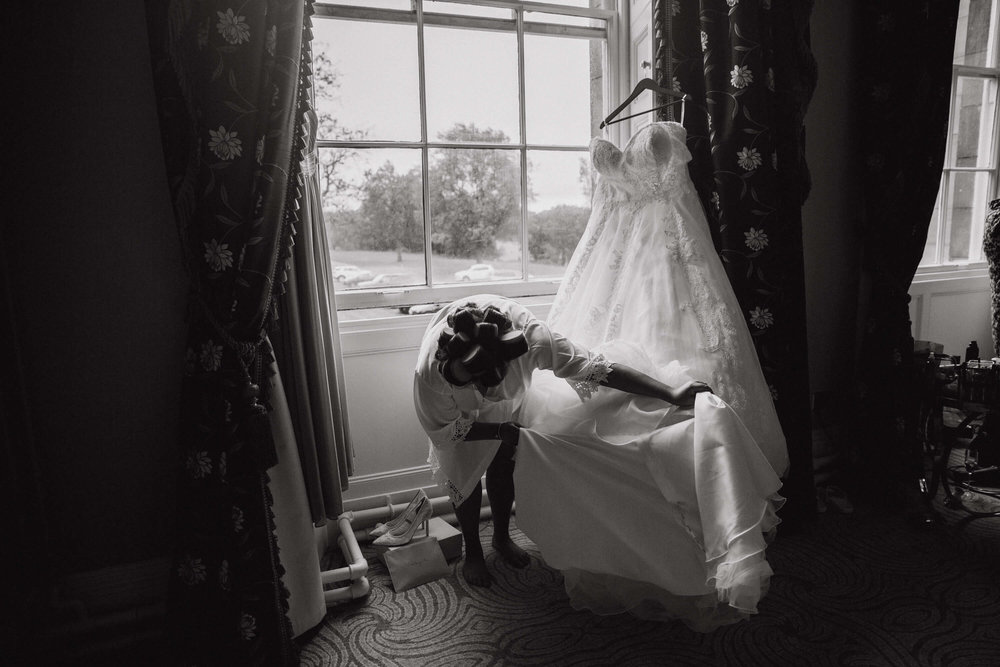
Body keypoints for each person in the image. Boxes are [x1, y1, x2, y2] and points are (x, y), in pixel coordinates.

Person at [412, 294, 711, 588]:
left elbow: (598, 369)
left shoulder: (534, 341)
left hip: (507, 386)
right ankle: (473, 552)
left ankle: (501, 537)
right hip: (453, 407)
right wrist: (496, 429)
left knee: (504, 458)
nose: (480, 390)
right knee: (463, 470)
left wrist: (667, 393)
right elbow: (444, 431)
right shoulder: (431, 377)